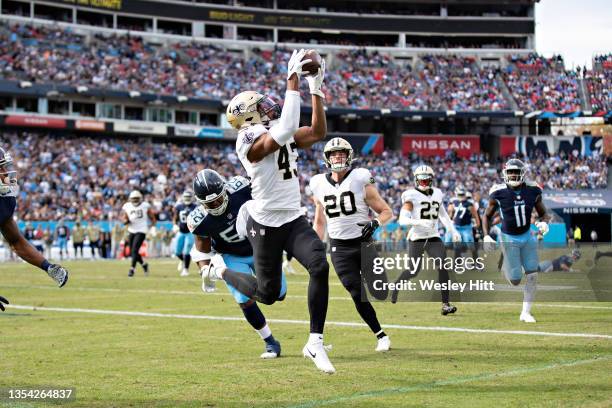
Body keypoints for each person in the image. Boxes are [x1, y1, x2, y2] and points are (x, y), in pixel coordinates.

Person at [203, 49, 335, 373]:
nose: (266, 106)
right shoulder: (248, 138)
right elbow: (288, 126)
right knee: (268, 294)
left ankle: (314, 342)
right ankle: (219, 269)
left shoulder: (277, 128)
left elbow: (317, 132)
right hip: (264, 222)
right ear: (248, 117)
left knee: (319, 264)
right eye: (258, 106)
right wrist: (293, 79)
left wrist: (315, 86)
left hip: (292, 217)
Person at [189, 169, 285, 359]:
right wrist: (205, 272)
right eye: (209, 203)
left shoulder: (242, 188)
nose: (215, 205)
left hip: (260, 247)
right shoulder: (200, 220)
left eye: (217, 199)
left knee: (278, 294)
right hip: (232, 256)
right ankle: (270, 342)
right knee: (244, 299)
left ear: (225, 189)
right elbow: (202, 251)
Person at [310, 137, 393, 352]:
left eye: (342, 153)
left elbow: (386, 211)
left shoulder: (360, 179)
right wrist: (314, 246)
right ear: (327, 158)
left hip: (363, 243)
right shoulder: (318, 183)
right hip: (339, 248)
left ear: (350, 156)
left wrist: (375, 223)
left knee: (380, 291)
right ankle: (381, 335)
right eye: (334, 154)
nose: (338, 157)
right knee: (356, 292)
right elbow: (319, 221)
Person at [0, 147, 68, 313]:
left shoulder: (4, 201)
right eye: (0, 168)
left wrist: (47, 267)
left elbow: (16, 242)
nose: (6, 173)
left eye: (5, 167)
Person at [482, 158, 550, 323]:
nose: (513, 175)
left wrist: (544, 223)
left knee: (532, 274)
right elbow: (487, 215)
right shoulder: (497, 192)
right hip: (508, 238)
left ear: (522, 174)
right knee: (515, 280)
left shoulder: (533, 190)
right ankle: (507, 264)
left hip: (527, 236)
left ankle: (525, 313)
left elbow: (543, 213)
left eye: (516, 172)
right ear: (505, 174)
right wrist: (486, 235)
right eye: (510, 172)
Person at [394, 165, 462, 315]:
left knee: (442, 265)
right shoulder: (410, 195)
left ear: (432, 179)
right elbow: (402, 220)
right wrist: (418, 222)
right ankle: (396, 285)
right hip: (417, 237)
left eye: (426, 180)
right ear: (415, 180)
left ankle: (445, 304)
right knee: (413, 271)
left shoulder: (437, 193)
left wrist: (453, 230)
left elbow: (443, 214)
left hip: (433, 237)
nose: (424, 182)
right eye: (421, 180)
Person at [121, 190, 156, 277]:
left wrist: (151, 227)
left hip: (142, 230)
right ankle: (144, 264)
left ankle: (132, 269)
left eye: (137, 198)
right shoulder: (127, 206)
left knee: (134, 250)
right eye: (134, 199)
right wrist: (125, 221)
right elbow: (124, 217)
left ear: (140, 198)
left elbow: (153, 218)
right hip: (131, 229)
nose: (136, 200)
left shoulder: (145, 205)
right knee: (133, 252)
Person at [445, 185, 481, 260]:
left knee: (471, 245)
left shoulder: (469, 204)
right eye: (460, 194)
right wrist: (451, 213)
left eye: (462, 194)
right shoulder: (453, 202)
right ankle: (454, 264)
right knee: (452, 244)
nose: (461, 196)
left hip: (466, 227)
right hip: (456, 227)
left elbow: (475, 216)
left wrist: (477, 225)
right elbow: (450, 216)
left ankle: (476, 262)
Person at [173, 190, 198, 276]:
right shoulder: (179, 207)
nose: (187, 199)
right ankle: (182, 260)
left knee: (187, 251)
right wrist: (175, 225)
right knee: (177, 252)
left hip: (190, 232)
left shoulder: (195, 207)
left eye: (188, 197)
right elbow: (175, 218)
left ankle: (186, 269)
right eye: (186, 197)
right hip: (181, 231)